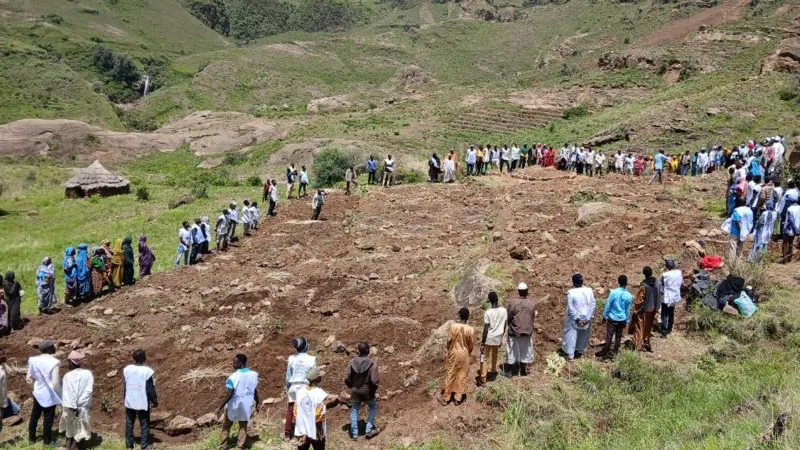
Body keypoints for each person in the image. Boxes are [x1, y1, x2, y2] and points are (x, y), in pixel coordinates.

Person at [217, 354, 259, 450]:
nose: (233, 364)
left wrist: (219, 407)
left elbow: (229, 394)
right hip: (246, 405)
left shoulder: (233, 377)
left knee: (226, 426)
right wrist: (257, 402)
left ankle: (223, 446)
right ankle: (240, 447)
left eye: (234, 362)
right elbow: (255, 391)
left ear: (240, 363)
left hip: (233, 405)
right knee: (243, 426)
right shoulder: (253, 375)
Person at [27, 340, 62, 446]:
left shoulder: (33, 360)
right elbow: (55, 382)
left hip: (37, 392)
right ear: (49, 349)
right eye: (53, 346)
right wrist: (58, 395)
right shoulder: (54, 362)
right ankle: (47, 441)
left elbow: (28, 379)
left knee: (34, 416)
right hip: (50, 394)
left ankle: (31, 439)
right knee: (48, 418)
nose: (55, 347)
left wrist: (34, 389)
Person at [439, 307, 475, 406]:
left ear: (459, 315)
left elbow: (449, 341)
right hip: (464, 354)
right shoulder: (471, 329)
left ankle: (446, 397)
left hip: (454, 353)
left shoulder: (453, 327)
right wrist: (468, 352)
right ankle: (458, 398)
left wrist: (448, 349)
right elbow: (471, 344)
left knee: (451, 373)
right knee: (462, 374)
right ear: (468, 317)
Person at [344, 342, 380, 441]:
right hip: (368, 392)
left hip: (355, 392)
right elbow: (374, 381)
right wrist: (373, 390)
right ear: (368, 351)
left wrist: (352, 386)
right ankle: (368, 430)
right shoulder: (372, 363)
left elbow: (347, 378)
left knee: (355, 410)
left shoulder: (352, 362)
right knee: (372, 407)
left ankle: (354, 434)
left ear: (358, 352)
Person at [124, 349, 158, 450]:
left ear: (133, 358)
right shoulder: (146, 371)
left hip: (130, 400)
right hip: (141, 401)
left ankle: (129, 446)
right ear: (144, 358)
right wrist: (154, 400)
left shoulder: (127, 369)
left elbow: (125, 385)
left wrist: (125, 397)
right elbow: (150, 388)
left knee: (129, 423)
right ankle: (144, 446)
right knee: (144, 424)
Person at [59, 350, 93, 450]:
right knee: (81, 428)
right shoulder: (88, 374)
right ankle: (77, 446)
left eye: (68, 361)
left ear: (71, 362)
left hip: (70, 407)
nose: (67, 363)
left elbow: (69, 393)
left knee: (70, 428)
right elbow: (88, 391)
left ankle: (70, 447)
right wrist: (80, 405)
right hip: (83, 406)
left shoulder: (68, 376)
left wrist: (74, 407)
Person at [284, 338, 317, 441]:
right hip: (305, 387)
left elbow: (288, 377)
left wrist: (289, 387)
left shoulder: (291, 358)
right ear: (306, 347)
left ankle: (287, 434)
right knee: (305, 410)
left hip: (294, 386)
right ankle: (304, 434)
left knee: (290, 409)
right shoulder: (312, 359)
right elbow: (313, 376)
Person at [596, 275, 633, 361]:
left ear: (618, 282)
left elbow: (608, 305)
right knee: (618, 336)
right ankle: (615, 353)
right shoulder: (629, 295)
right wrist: (627, 320)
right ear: (626, 283)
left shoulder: (613, 293)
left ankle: (605, 352)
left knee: (609, 336)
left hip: (612, 318)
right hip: (622, 319)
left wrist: (605, 316)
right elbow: (628, 309)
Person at [293, 368, 330, 450]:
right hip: (315, 428)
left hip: (302, 428)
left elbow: (295, 411)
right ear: (317, 379)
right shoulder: (320, 393)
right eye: (320, 376)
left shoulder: (300, 392)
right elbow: (320, 413)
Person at [562, 274, 596, 361]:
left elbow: (571, 308)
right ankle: (580, 352)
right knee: (583, 335)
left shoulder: (571, 293)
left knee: (571, 336)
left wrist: (577, 319)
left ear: (573, 282)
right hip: (586, 318)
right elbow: (592, 304)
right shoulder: (589, 291)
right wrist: (587, 318)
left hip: (574, 319)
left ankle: (571, 356)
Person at [506, 283, 534, 377]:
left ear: (519, 292)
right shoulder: (531, 303)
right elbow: (532, 317)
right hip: (527, 331)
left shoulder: (513, 303)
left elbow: (509, 316)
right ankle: (523, 370)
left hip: (515, 331)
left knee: (511, 350)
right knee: (525, 351)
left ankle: (509, 371)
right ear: (527, 291)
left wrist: (509, 324)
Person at [479, 292, 507, 385]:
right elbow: (504, 325)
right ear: (497, 299)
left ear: (489, 301)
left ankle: (483, 378)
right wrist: (501, 337)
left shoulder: (488, 313)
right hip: (498, 338)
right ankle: (493, 371)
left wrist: (483, 342)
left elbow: (486, 329)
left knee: (485, 357)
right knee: (495, 354)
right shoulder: (504, 311)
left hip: (489, 338)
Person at [629, 266, 659, 352]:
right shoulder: (656, 283)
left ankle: (637, 346)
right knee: (648, 327)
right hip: (652, 309)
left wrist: (636, 311)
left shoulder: (644, 286)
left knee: (639, 327)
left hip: (643, 310)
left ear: (644, 274)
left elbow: (639, 301)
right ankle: (647, 343)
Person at [0, 349, 23, 433]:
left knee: (17, 410)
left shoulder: (1, 367)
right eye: (2, 355)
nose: (5, 356)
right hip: (1, 399)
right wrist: (2, 405)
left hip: (4, 397)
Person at [660, 258, 682, 338]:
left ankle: (664, 331)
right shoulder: (679, 273)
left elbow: (661, 285)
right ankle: (669, 328)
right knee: (671, 312)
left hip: (667, 296)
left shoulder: (665, 275)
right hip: (675, 296)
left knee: (664, 314)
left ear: (667, 266)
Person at [729, 198, 754, 262]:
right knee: (740, 248)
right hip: (745, 233)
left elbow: (737, 221)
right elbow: (750, 221)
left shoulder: (737, 210)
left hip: (735, 232)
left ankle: (731, 265)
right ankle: (738, 263)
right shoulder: (749, 211)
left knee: (733, 248)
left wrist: (740, 231)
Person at [782, 197, 800, 263]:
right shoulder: (799, 207)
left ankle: (785, 260)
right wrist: (797, 230)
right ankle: (789, 258)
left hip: (789, 229)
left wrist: (795, 230)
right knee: (791, 243)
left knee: (786, 244)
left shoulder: (790, 209)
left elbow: (791, 220)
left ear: (790, 201)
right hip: (796, 228)